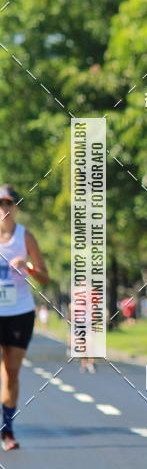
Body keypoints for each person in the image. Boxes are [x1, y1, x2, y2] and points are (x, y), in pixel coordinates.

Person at [0, 185, 49, 450]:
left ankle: (7, 431)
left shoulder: (25, 237)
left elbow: (45, 275)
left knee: (11, 373)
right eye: (0, 204)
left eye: (9, 203)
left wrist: (27, 266)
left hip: (19, 312)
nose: (4, 209)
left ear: (16, 207)